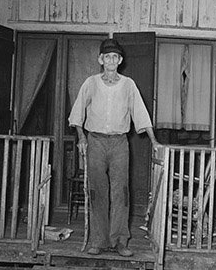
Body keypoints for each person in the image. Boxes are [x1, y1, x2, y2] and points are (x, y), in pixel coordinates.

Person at [67, 38, 161, 257]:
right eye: (107, 56)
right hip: (95, 141)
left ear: (120, 60)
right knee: (97, 191)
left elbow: (140, 113)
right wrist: (81, 137)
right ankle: (98, 240)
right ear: (101, 60)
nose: (111, 60)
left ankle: (119, 240)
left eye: (114, 57)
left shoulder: (128, 85)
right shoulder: (90, 83)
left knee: (121, 192)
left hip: (120, 143)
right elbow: (77, 113)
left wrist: (154, 140)